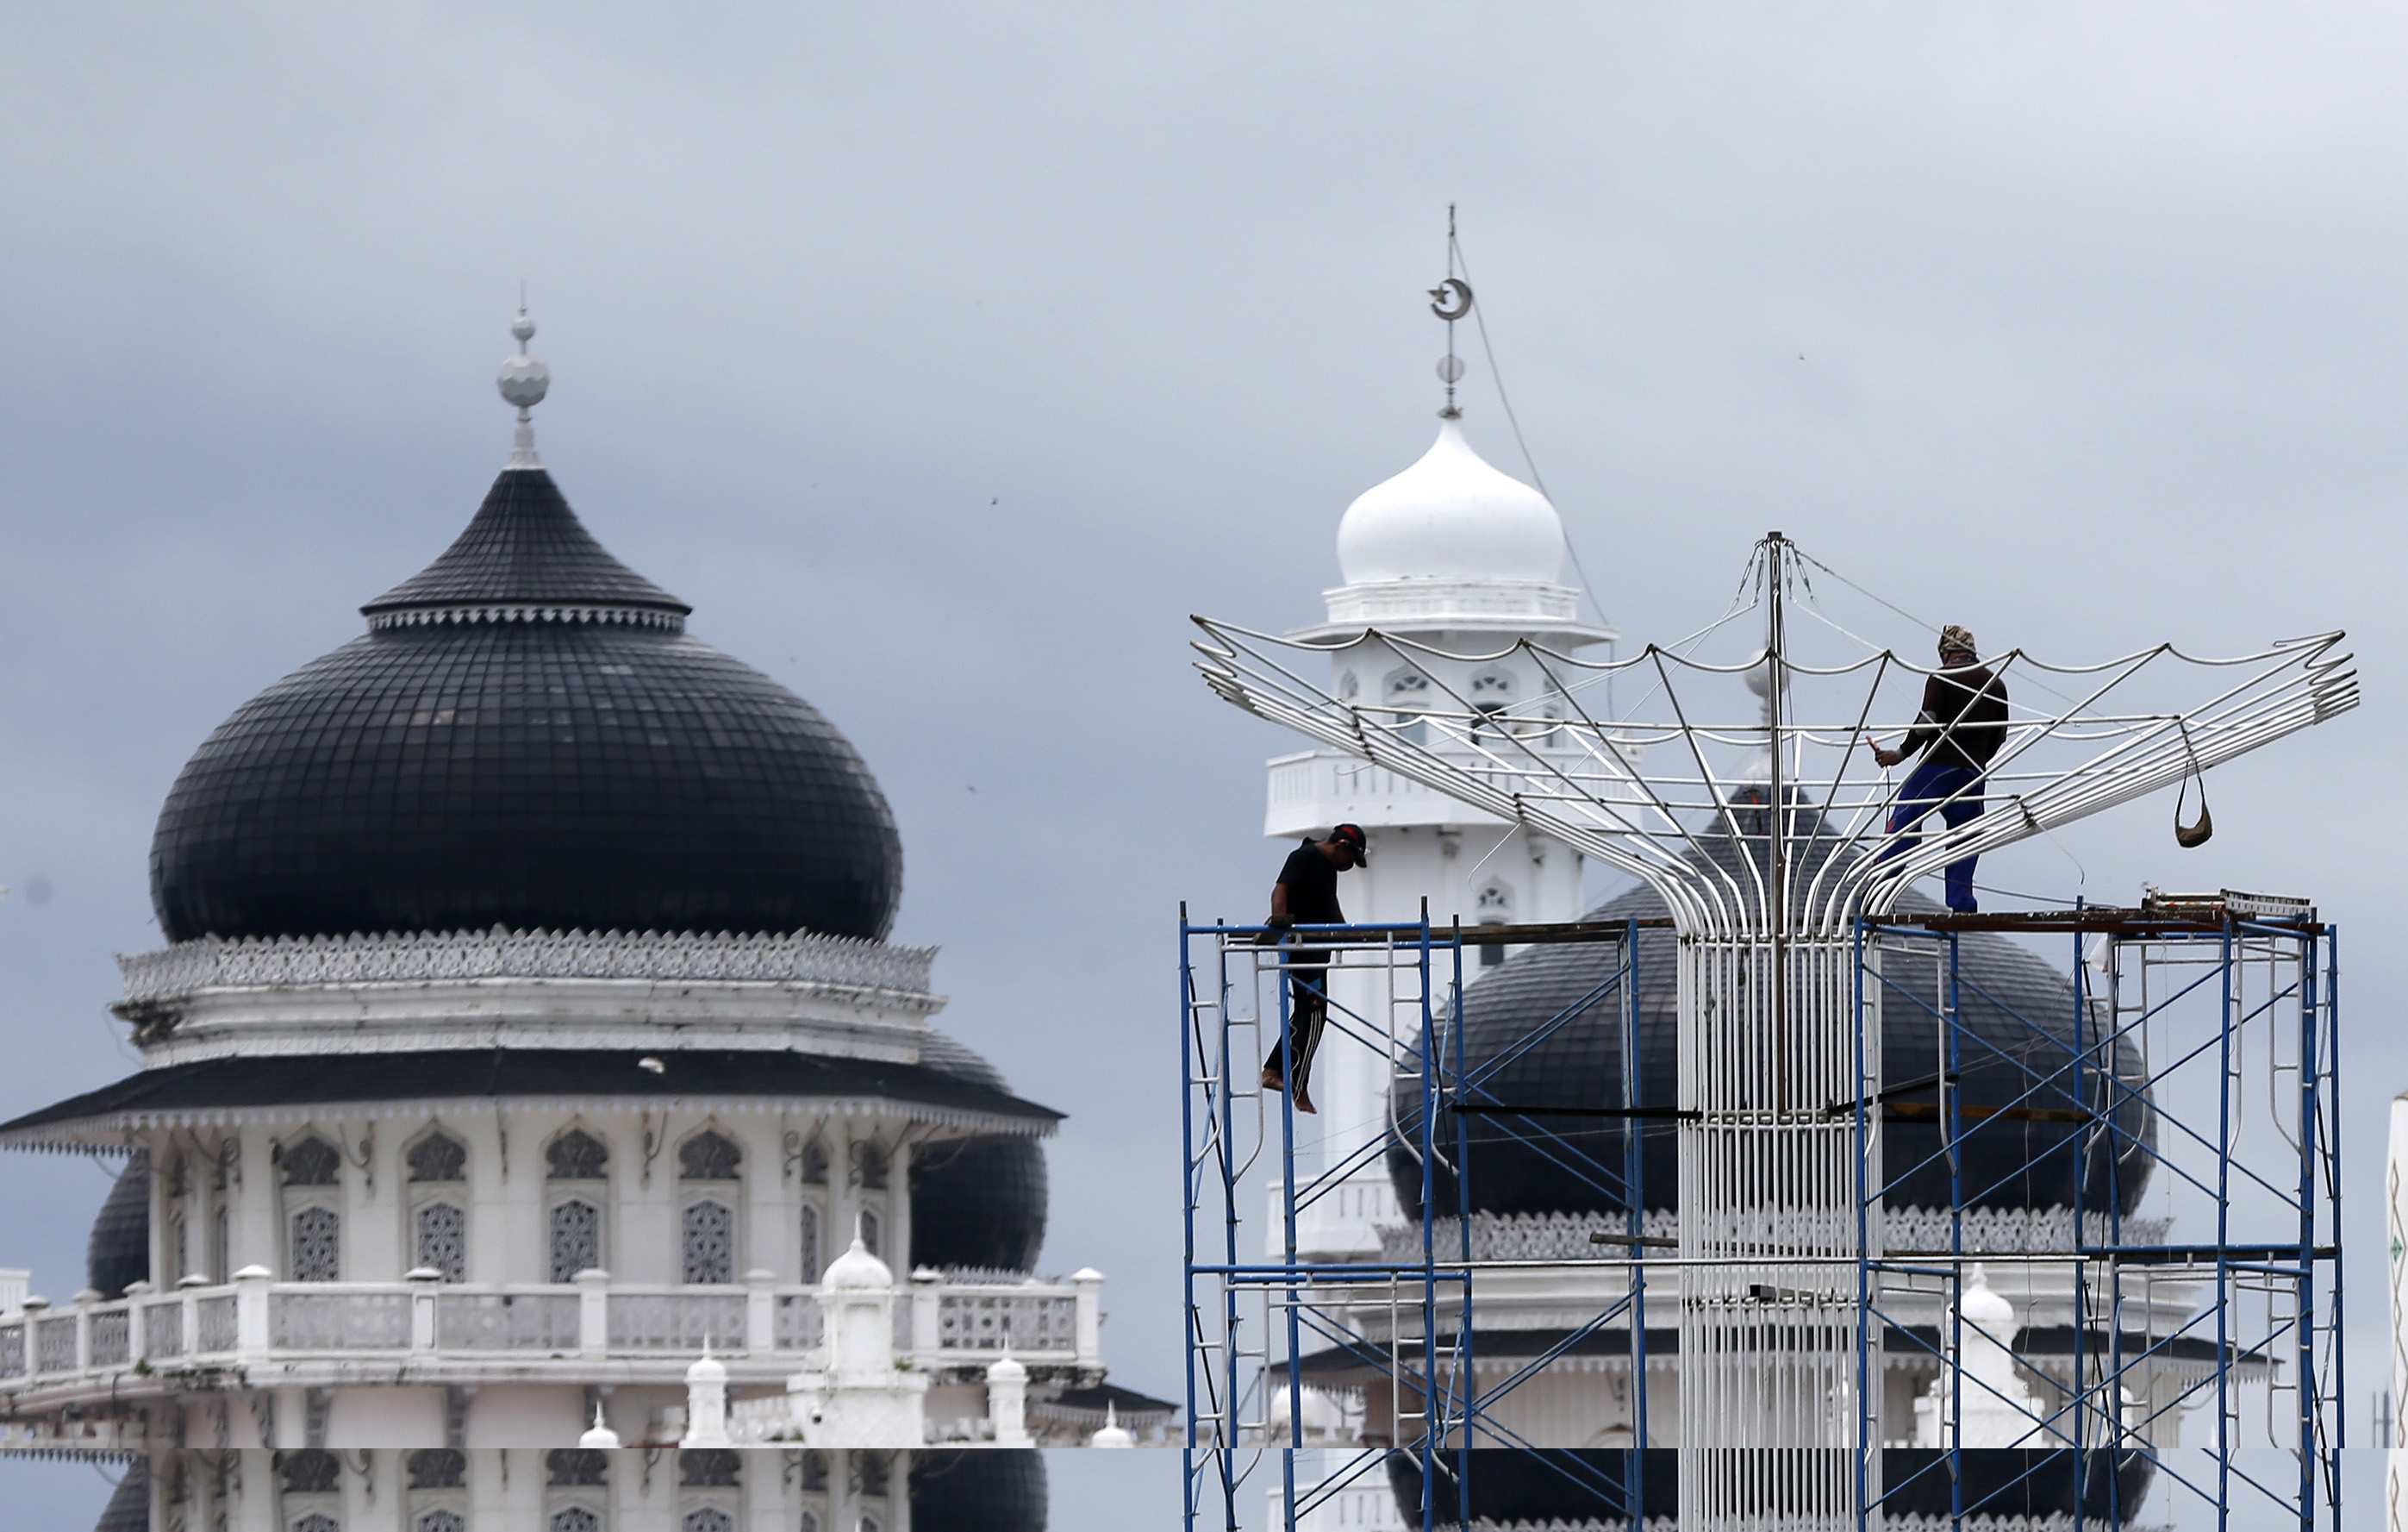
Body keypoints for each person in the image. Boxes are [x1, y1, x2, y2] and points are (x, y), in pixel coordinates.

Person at [1867, 626, 2008, 913]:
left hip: (1937, 765)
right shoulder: (1996, 683)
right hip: (1973, 772)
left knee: (1906, 820)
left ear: (1946, 651)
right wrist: (1979, 759)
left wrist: (1900, 753)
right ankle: (1962, 903)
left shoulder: (1942, 677)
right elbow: (2000, 735)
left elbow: (1928, 719)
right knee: (1965, 835)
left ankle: (1879, 890)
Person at [1257, 823, 1368, 1115]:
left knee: (1305, 1013)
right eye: (1351, 859)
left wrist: (1347, 932)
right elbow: (1279, 892)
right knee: (1315, 1013)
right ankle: (1298, 1085)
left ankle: (1272, 1070)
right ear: (1341, 846)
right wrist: (1281, 927)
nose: (1350, 866)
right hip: (1302, 949)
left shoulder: (1328, 868)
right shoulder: (1305, 857)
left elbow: (1329, 905)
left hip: (1317, 950)